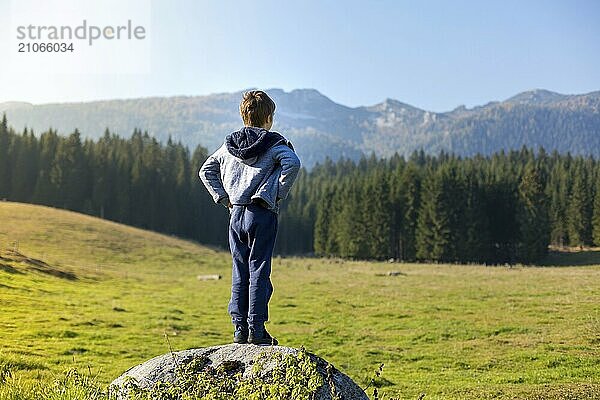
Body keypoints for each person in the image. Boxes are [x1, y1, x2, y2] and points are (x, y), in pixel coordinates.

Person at [199, 90, 301, 345]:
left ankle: (239, 330)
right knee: (259, 269)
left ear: (244, 115)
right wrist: (276, 194)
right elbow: (293, 164)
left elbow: (206, 170)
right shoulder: (275, 143)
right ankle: (257, 330)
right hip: (261, 213)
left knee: (240, 269)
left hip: (236, 215)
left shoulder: (229, 145)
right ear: (268, 117)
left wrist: (224, 198)